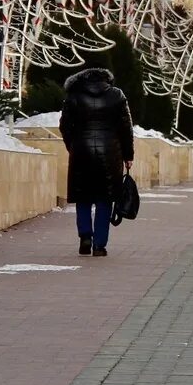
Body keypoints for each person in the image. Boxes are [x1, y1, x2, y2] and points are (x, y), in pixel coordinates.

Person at [60, 68, 135, 257]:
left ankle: (85, 236)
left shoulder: (74, 95)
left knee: (83, 196)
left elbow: (65, 125)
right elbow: (126, 127)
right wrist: (128, 154)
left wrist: (73, 145)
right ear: (107, 79)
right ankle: (100, 245)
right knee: (105, 198)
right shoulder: (116, 95)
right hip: (110, 153)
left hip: (81, 151)